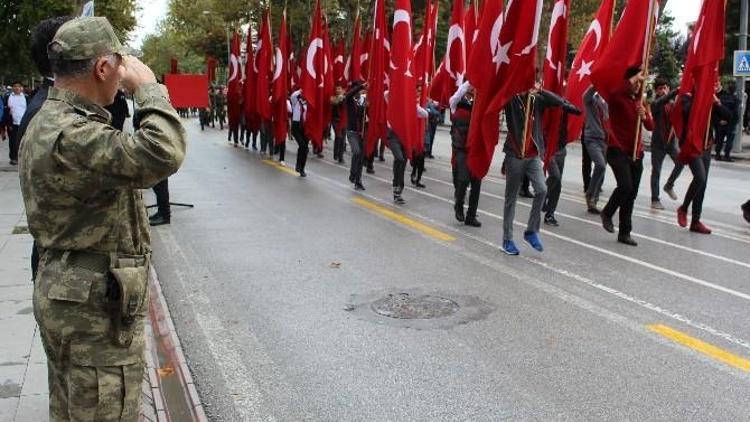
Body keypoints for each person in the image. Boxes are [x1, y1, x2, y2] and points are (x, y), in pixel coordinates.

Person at [18, 17, 186, 421]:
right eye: (118, 62)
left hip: (70, 293)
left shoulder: (50, 119)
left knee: (74, 407)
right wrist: (147, 86)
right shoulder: (74, 133)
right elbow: (164, 151)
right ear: (103, 68)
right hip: (93, 310)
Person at [502, 83, 581, 255]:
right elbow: (497, 99)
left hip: (533, 154)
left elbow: (559, 101)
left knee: (542, 189)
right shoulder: (511, 100)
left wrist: (540, 90)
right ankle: (507, 239)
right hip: (515, 154)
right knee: (511, 198)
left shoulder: (537, 100)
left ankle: (531, 231)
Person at [599, 68, 654, 246]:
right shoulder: (617, 97)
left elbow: (651, 126)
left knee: (631, 194)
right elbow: (614, 92)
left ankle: (625, 232)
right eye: (636, 82)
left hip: (636, 152)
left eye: (640, 83)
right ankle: (607, 212)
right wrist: (633, 78)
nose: (638, 85)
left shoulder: (640, 101)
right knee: (625, 186)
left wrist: (644, 116)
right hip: (618, 149)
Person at [676, 81, 731, 234]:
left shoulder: (713, 101)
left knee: (703, 183)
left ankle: (695, 221)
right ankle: (683, 208)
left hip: (706, 145)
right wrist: (701, 99)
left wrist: (717, 102)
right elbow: (687, 112)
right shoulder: (688, 98)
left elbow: (729, 116)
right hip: (692, 145)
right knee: (699, 177)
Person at [385, 90, 429, 205]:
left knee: (403, 163)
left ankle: (398, 191)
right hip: (393, 136)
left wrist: (414, 104)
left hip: (404, 137)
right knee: (399, 158)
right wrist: (398, 86)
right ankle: (396, 185)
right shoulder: (393, 102)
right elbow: (385, 94)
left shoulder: (412, 106)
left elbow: (425, 114)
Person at [449, 81, 482, 227]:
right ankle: (459, 206)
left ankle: (471, 215)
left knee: (476, 182)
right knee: (463, 179)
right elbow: (455, 96)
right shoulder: (456, 103)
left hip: (475, 148)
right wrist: (472, 79)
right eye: (471, 86)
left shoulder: (480, 104)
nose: (473, 89)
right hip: (461, 147)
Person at [649, 79, 683, 210]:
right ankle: (655, 199)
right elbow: (661, 101)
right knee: (656, 171)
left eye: (665, 88)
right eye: (660, 88)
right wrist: (676, 91)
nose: (663, 90)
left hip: (671, 142)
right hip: (658, 143)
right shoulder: (655, 104)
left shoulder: (673, 104)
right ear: (656, 91)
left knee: (681, 163)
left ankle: (669, 185)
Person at [582, 86, 609, 214]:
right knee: (600, 165)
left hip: (605, 139)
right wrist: (596, 84)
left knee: (602, 171)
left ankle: (593, 201)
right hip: (592, 138)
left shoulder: (607, 101)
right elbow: (586, 95)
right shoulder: (591, 99)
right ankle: (590, 194)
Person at [542, 111, 571, 227]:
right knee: (555, 176)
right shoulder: (548, 102)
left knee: (558, 184)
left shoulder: (565, 106)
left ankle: (550, 214)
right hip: (548, 147)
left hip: (561, 148)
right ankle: (542, 196)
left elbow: (577, 110)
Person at [344, 81, 368, 190]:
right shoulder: (349, 100)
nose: (358, 92)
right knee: (356, 151)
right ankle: (352, 173)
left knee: (361, 157)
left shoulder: (364, 100)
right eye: (356, 90)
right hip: (352, 132)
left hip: (362, 132)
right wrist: (360, 86)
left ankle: (358, 181)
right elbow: (348, 94)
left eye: (360, 90)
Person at [714, 80, 740, 162]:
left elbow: (717, 110)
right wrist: (734, 121)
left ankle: (717, 155)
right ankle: (726, 155)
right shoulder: (736, 100)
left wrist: (719, 120)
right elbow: (735, 114)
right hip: (730, 123)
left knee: (720, 139)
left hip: (722, 122)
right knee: (729, 140)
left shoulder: (722, 98)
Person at [5, 82, 28, 165]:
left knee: (23, 141)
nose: (17, 88)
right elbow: (5, 110)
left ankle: (22, 158)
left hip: (23, 123)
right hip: (12, 123)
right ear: (12, 88)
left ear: (21, 88)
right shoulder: (8, 97)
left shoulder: (26, 97)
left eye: (19, 86)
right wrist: (7, 123)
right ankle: (13, 158)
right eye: (15, 86)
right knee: (12, 141)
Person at [290, 88, 309, 177]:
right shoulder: (296, 101)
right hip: (296, 126)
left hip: (306, 126)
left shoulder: (309, 102)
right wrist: (301, 89)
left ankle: (302, 168)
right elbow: (292, 96)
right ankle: (298, 164)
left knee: (305, 148)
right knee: (302, 145)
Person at [331, 86, 347, 164]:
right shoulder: (333, 97)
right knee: (338, 136)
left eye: (339, 89)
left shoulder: (345, 98)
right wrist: (341, 96)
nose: (338, 90)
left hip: (344, 121)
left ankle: (341, 157)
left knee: (343, 139)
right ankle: (336, 154)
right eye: (337, 89)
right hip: (336, 121)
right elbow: (335, 102)